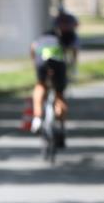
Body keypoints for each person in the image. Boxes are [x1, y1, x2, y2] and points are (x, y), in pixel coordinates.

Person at [30, 12, 79, 142]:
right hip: (58, 64)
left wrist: (34, 62)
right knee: (59, 94)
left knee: (40, 85)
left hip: (41, 62)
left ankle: (37, 119)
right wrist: (73, 69)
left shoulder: (45, 35)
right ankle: (61, 127)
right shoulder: (71, 37)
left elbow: (33, 48)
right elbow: (74, 53)